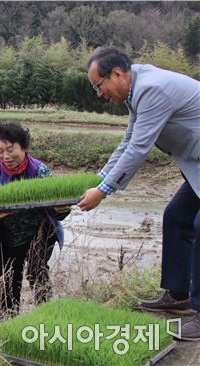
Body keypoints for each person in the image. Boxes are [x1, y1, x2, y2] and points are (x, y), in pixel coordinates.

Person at [78, 47, 200, 340]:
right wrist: (99, 179)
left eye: (99, 85)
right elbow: (128, 140)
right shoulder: (137, 90)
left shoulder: (152, 89)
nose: (99, 94)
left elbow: (138, 149)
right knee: (176, 216)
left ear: (117, 74)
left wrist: (103, 191)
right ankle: (179, 294)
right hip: (196, 163)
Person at [0, 121, 70, 315]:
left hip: (39, 233)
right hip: (8, 235)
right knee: (7, 281)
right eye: (0, 151)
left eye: (11, 150)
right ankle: (8, 324)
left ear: (24, 147)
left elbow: (56, 207)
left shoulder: (39, 171)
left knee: (37, 275)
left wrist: (61, 208)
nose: (6, 156)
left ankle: (46, 318)